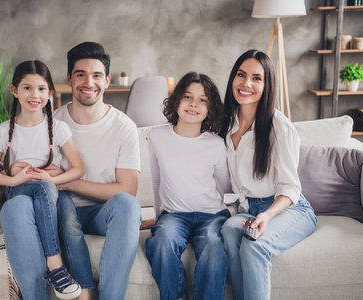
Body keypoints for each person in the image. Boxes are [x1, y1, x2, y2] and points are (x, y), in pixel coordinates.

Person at [219, 49, 317, 300]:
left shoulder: (279, 127)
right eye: (241, 75)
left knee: (255, 245)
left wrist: (267, 215)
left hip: (287, 208)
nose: (246, 84)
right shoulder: (225, 122)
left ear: (267, 84)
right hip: (248, 208)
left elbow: (290, 189)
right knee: (230, 230)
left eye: (256, 78)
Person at [0, 60, 85, 299]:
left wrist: (53, 178)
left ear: (50, 93)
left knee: (45, 187)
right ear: (14, 91)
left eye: (41, 89)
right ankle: (55, 264)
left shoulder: (58, 129)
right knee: (43, 187)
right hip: (17, 189)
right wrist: (13, 178)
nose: (34, 95)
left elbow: (79, 168)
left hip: (47, 191)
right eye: (27, 88)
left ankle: (55, 266)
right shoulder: (1, 131)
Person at [53, 41, 142, 300]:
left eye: (96, 75)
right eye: (80, 74)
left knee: (127, 205)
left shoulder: (124, 127)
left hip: (102, 214)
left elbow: (127, 190)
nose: (88, 82)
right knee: (61, 202)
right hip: (61, 211)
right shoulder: (52, 122)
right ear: (69, 79)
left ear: (107, 81)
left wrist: (68, 182)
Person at [144, 72, 232, 300]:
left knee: (214, 247)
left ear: (210, 108)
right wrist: (158, 216)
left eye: (203, 100)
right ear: (176, 101)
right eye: (188, 97)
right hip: (174, 215)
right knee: (162, 241)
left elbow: (227, 187)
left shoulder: (216, 144)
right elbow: (156, 179)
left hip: (212, 216)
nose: (194, 104)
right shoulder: (156, 136)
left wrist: (234, 214)